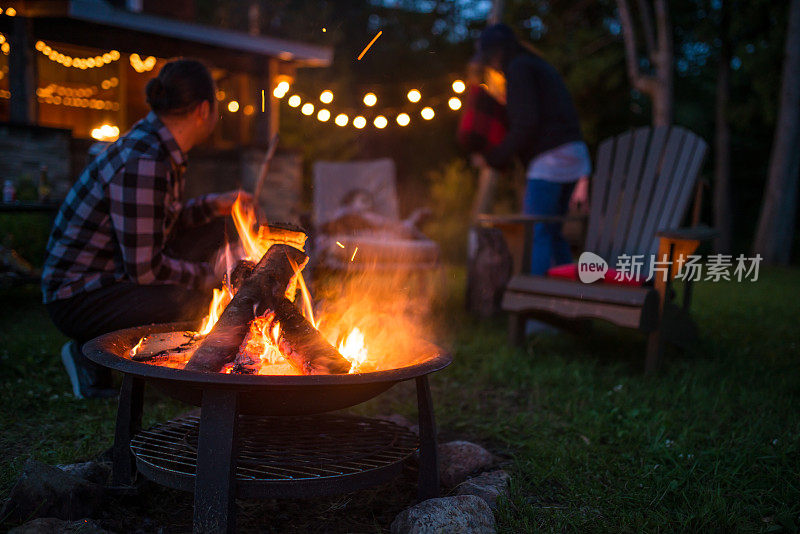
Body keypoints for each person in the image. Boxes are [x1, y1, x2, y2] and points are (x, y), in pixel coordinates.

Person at [42, 58, 250, 398]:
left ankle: (98, 348)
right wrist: (208, 278)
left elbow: (159, 225)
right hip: (79, 297)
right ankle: (89, 352)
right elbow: (145, 270)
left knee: (221, 228)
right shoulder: (146, 159)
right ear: (203, 110)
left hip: (113, 277)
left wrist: (218, 205)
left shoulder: (158, 146)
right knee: (193, 301)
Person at [471, 24, 591, 275]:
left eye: (489, 59)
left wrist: (494, 157)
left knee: (537, 232)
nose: (490, 66)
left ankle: (537, 308)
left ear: (498, 53)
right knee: (553, 231)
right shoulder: (536, 65)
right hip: (575, 154)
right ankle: (569, 302)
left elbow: (526, 124)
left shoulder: (519, 69)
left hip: (552, 160)